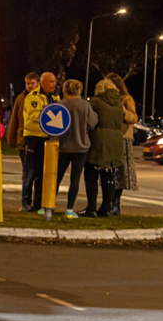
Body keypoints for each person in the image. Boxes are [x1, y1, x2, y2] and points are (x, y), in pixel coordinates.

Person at [80, 78, 125, 217]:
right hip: (116, 143)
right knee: (109, 175)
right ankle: (106, 208)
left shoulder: (95, 102)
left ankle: (91, 208)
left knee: (91, 174)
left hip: (98, 141)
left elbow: (88, 119)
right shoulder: (120, 103)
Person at [56, 79, 97, 218]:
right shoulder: (85, 105)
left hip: (62, 146)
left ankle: (48, 206)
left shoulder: (60, 105)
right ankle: (69, 209)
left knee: (56, 177)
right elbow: (92, 123)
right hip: (81, 147)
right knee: (75, 179)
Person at [21, 71, 59, 213]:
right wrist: (50, 115)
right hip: (34, 137)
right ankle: (26, 202)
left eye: (54, 82)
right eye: (51, 82)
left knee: (42, 174)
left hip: (47, 139)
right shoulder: (33, 97)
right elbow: (34, 116)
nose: (54, 84)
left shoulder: (55, 98)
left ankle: (38, 203)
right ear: (43, 82)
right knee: (29, 172)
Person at [105, 73, 138, 215]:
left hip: (123, 139)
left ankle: (116, 203)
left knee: (120, 173)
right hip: (110, 138)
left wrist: (124, 112)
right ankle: (108, 202)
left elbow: (134, 117)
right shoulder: (105, 99)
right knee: (109, 173)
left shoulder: (127, 99)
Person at [6, 72, 39, 169]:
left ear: (38, 83)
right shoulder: (20, 98)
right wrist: (12, 140)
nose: (29, 86)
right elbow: (14, 120)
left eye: (32, 83)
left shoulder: (42, 98)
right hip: (23, 141)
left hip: (37, 140)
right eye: (27, 83)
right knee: (26, 169)